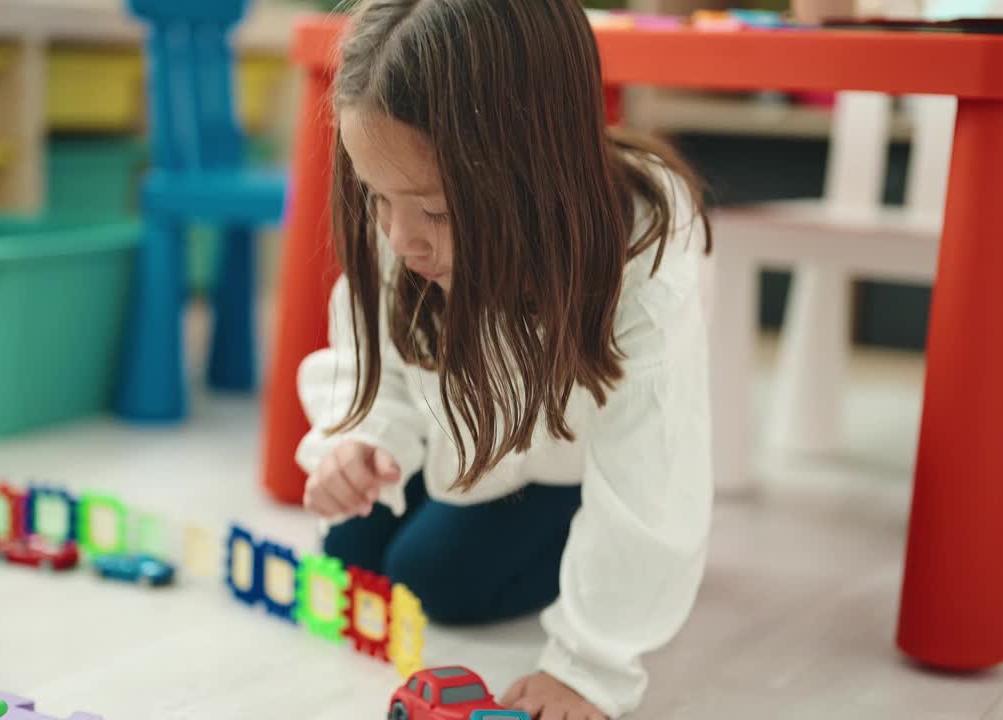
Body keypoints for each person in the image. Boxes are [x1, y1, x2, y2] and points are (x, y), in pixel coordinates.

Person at [295, 1, 714, 717]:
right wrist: (362, 438)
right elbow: (371, 350)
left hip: (565, 469)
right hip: (468, 441)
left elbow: (653, 474)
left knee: (431, 578)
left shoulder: (636, 258)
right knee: (350, 555)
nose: (401, 238)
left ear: (532, 173)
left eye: (433, 211)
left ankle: (563, 544)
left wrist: (589, 666)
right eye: (377, 198)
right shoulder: (404, 206)